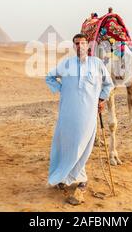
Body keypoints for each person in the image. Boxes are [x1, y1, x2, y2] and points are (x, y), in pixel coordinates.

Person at [45, 33, 114, 204]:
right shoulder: (67, 64)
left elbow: (109, 84)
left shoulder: (97, 64)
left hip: (88, 113)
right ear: (74, 46)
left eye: (83, 43)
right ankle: (65, 177)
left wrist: (101, 99)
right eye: (77, 43)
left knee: (82, 144)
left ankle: (79, 177)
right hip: (68, 112)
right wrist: (62, 90)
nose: (80, 46)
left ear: (88, 46)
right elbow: (49, 76)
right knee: (67, 143)